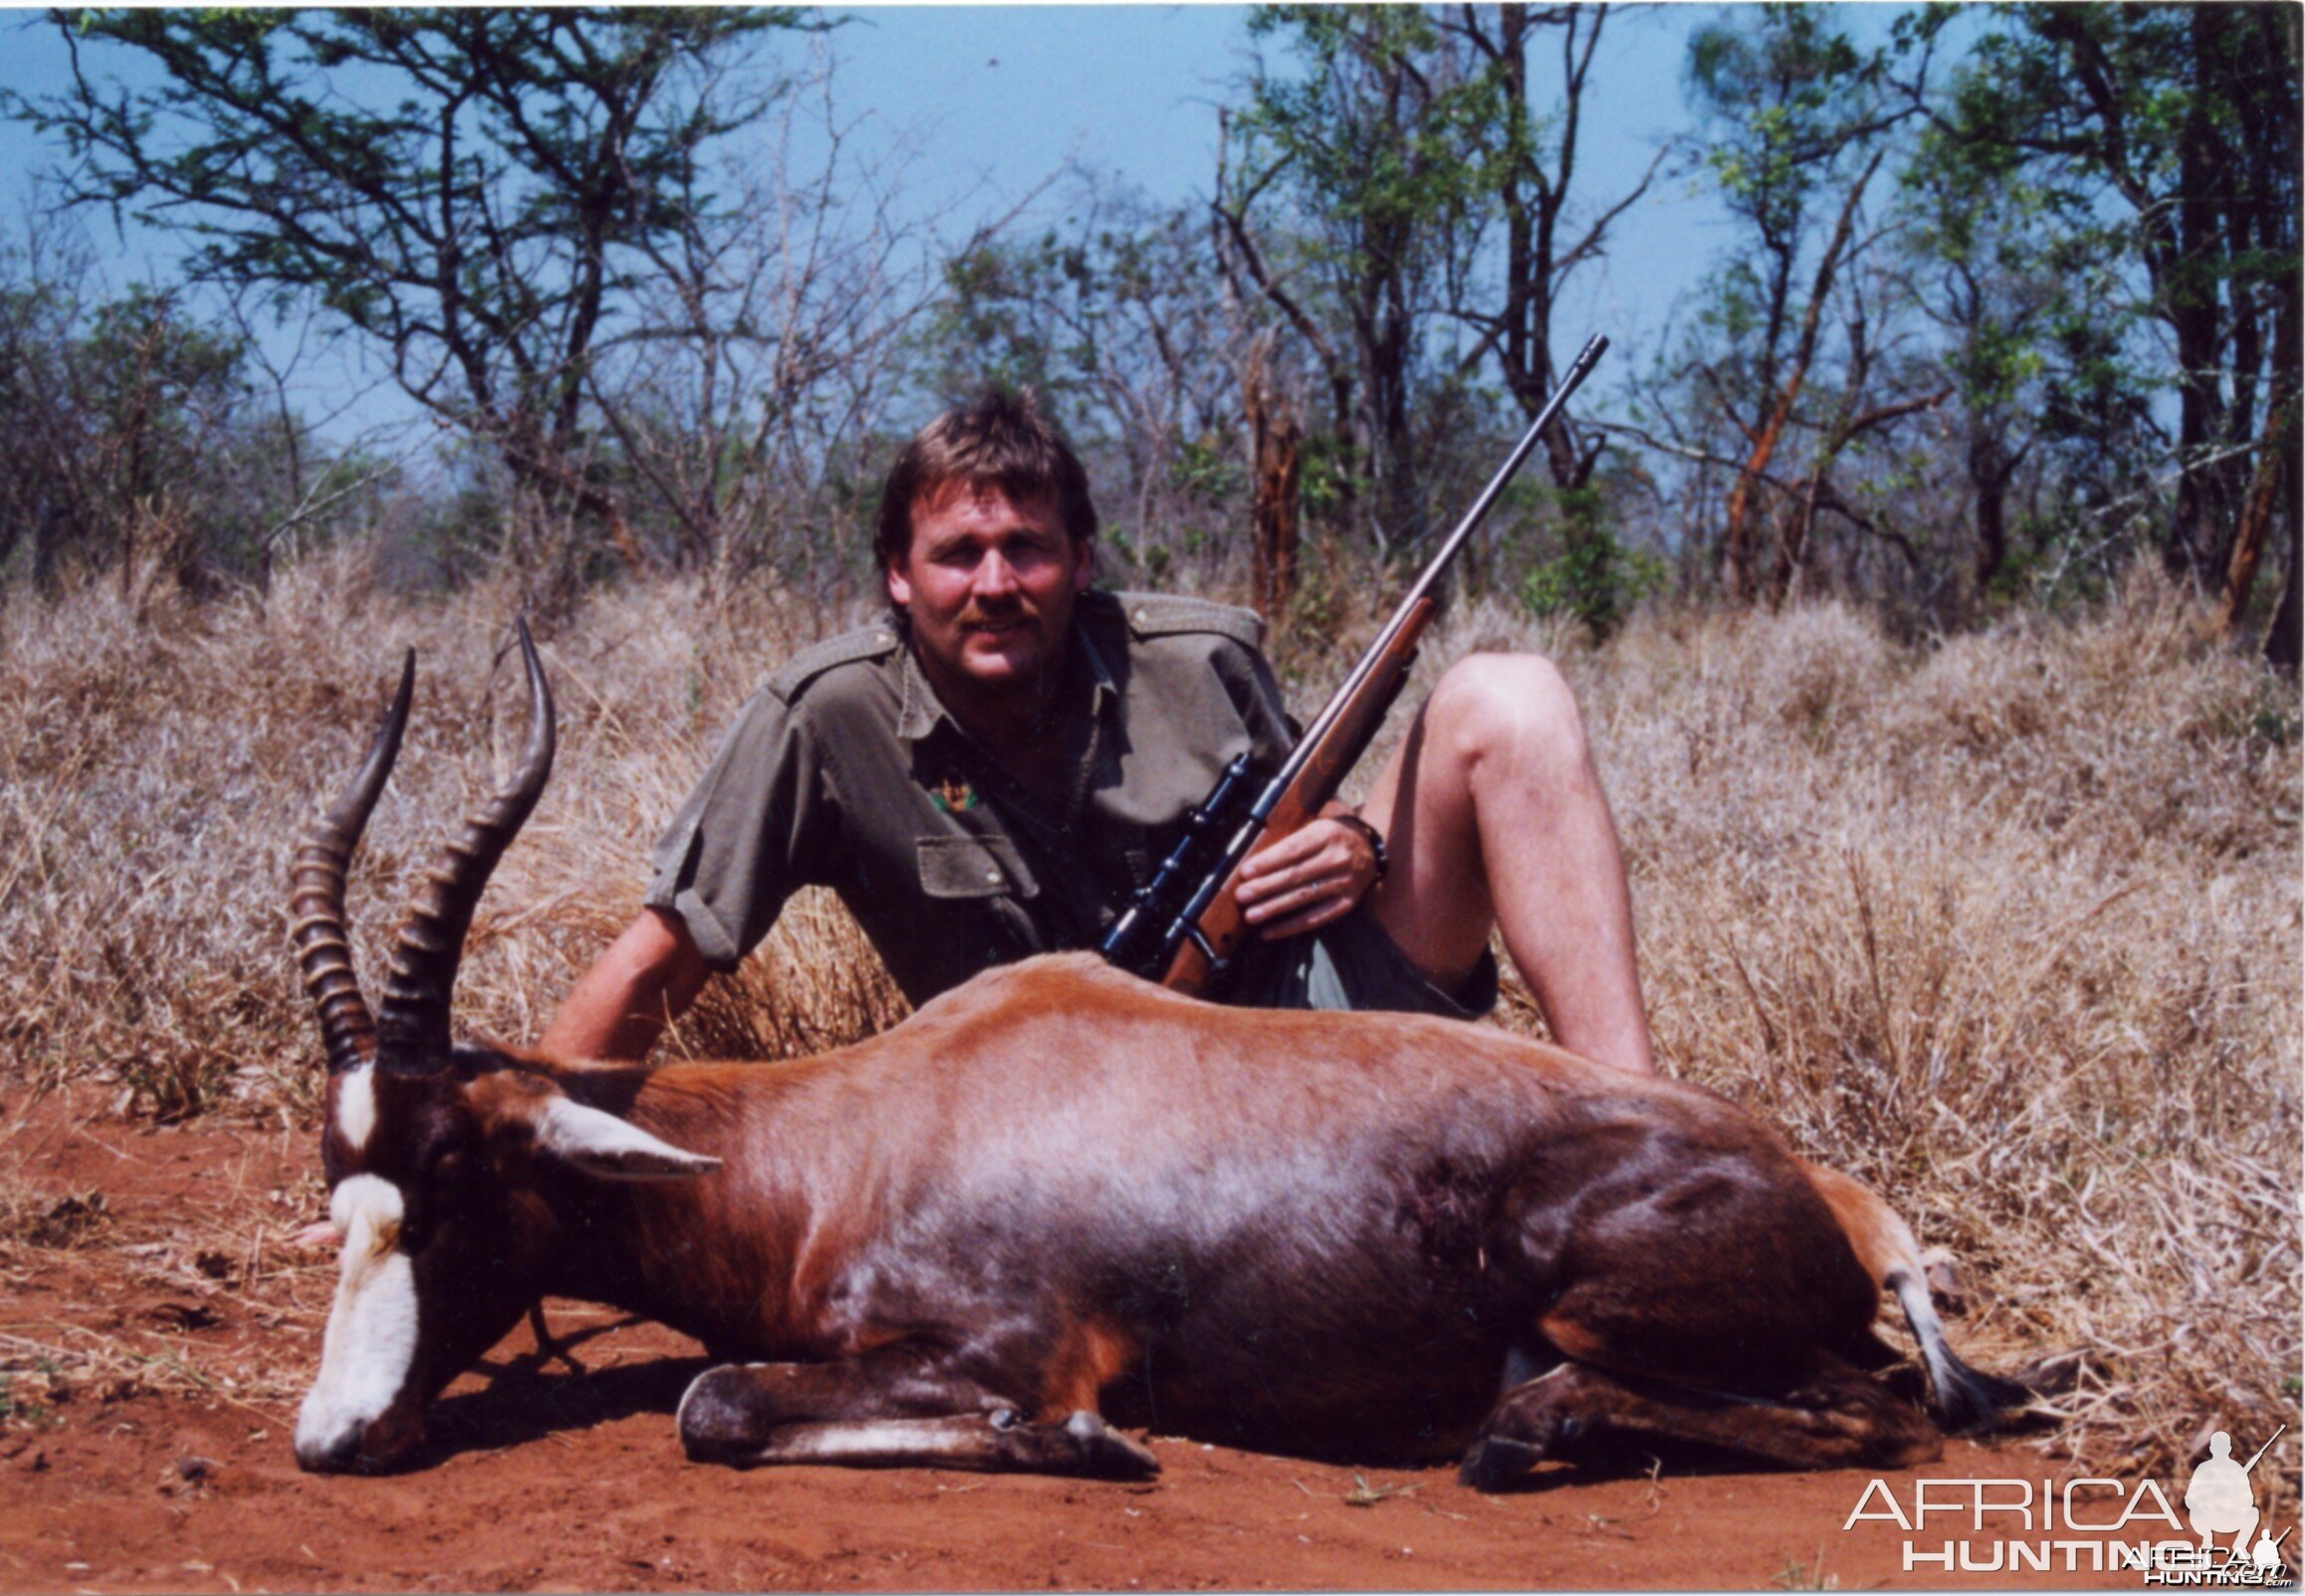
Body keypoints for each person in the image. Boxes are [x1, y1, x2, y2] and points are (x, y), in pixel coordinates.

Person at [542, 390, 1655, 1075]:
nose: (994, 583)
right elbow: (662, 951)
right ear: (896, 574)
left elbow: (1313, 816)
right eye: (956, 554)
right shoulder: (824, 715)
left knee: (1508, 697)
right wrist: (504, 1146)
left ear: (1082, 560)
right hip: (1048, 1126)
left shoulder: (1201, 657)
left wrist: (1361, 844)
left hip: (1297, 1046)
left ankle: (1649, 1137)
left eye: (1027, 548)